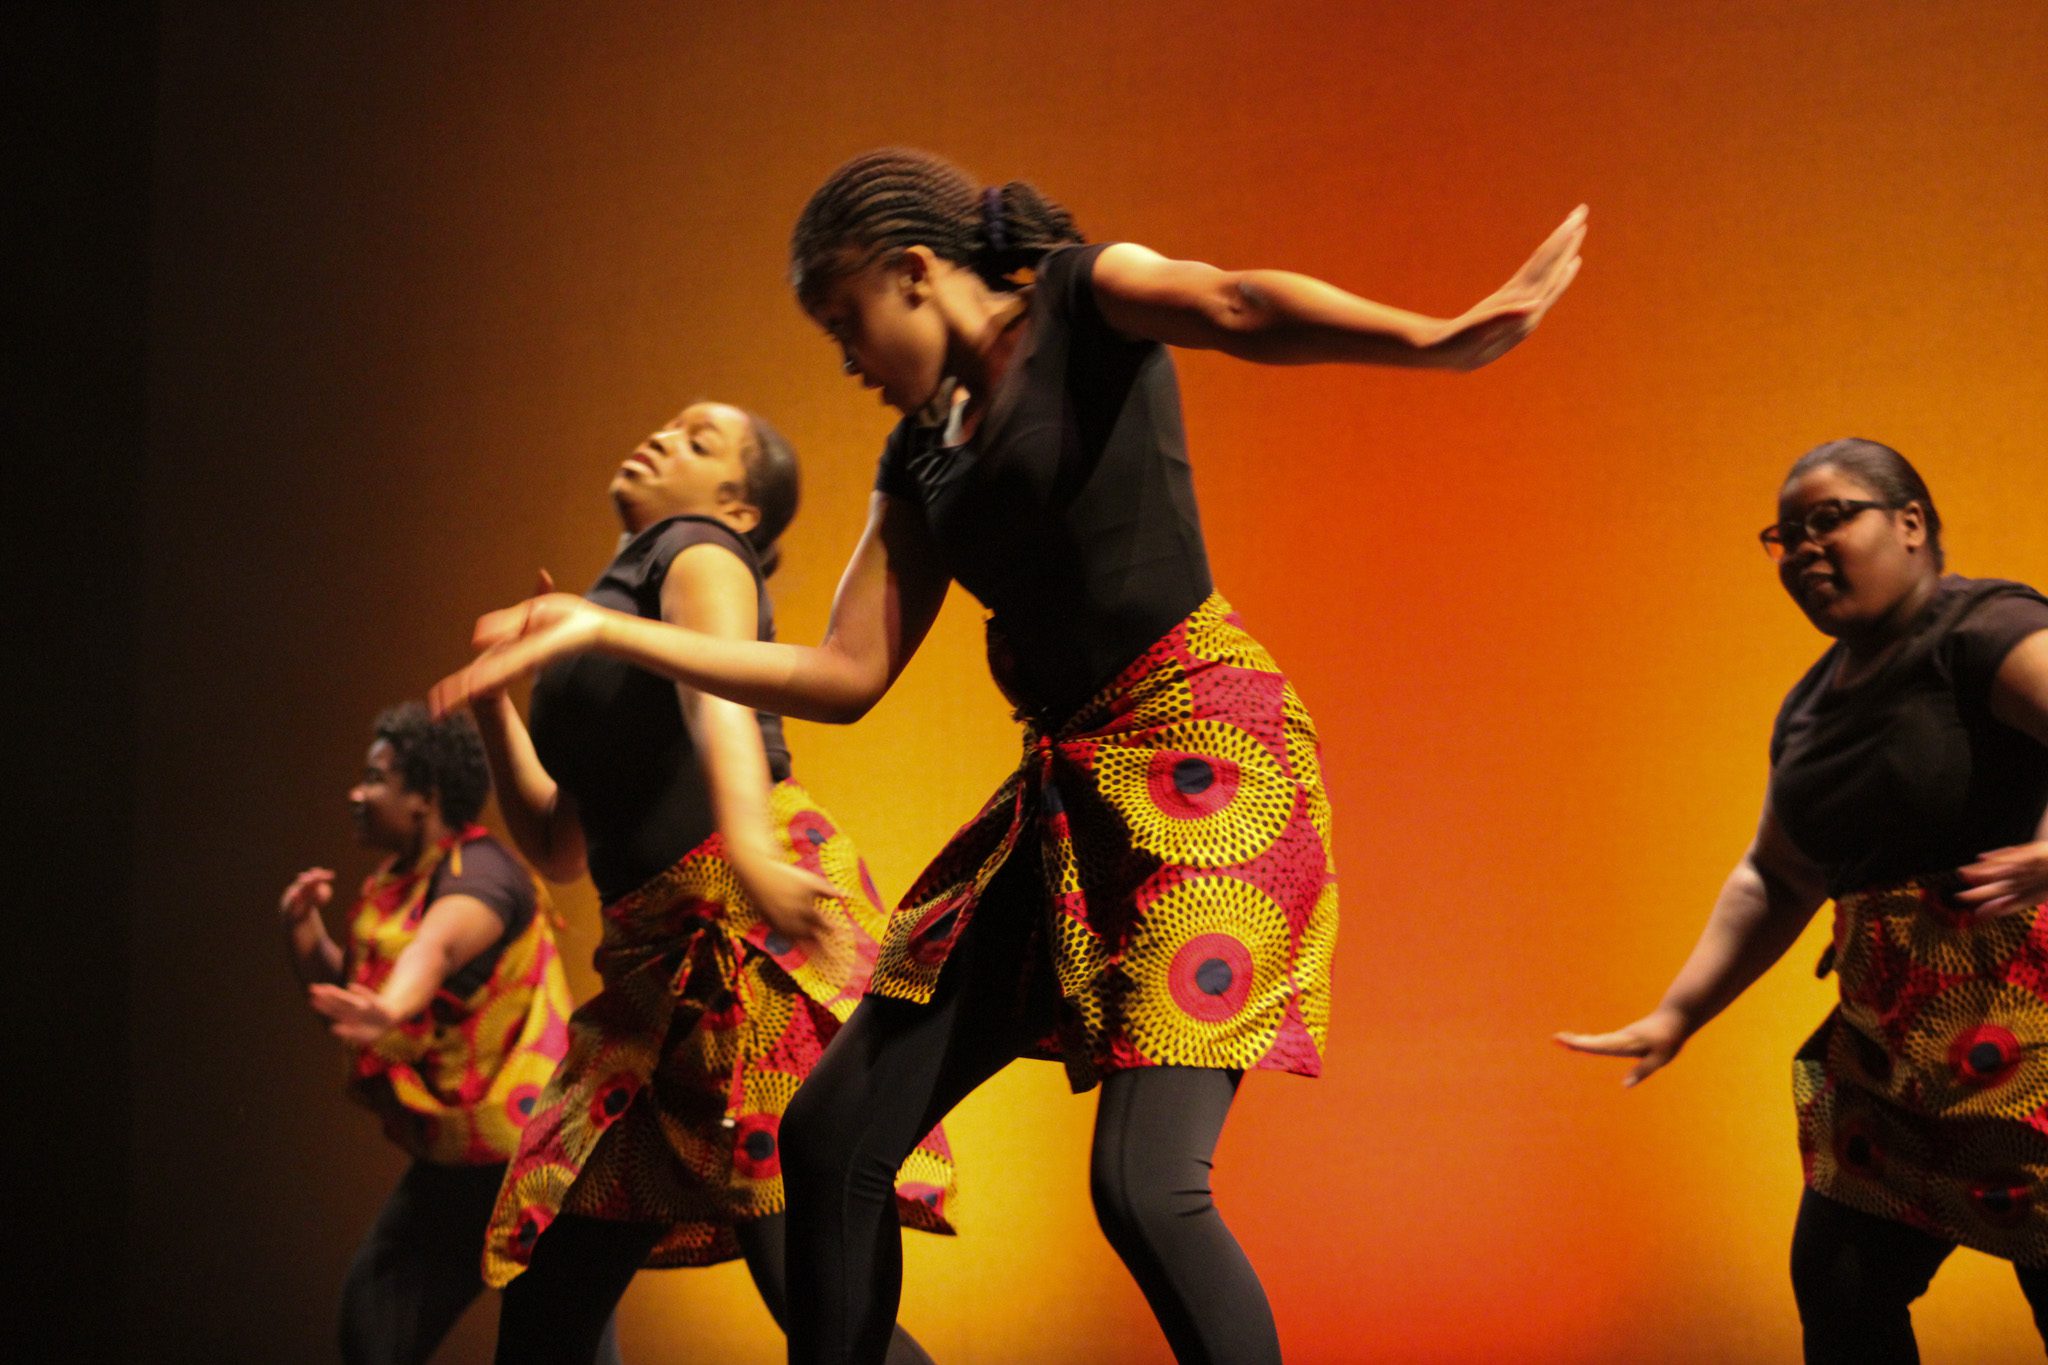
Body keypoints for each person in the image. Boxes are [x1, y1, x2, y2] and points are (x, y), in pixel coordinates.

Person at [433, 148, 1584, 1365]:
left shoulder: (1083, 295)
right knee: (831, 1136)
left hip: (1205, 762)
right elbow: (843, 674)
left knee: (1143, 1190)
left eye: (847, 322)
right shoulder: (917, 458)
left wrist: (1435, 338)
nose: (847, 362)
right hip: (1064, 787)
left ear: (916, 273)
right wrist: (612, 625)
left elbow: (1240, 302)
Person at [465, 402, 951, 1365]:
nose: (657, 437)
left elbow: (720, 701)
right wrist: (492, 705)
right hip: (655, 971)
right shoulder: (598, 615)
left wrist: (754, 851)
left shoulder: (697, 551)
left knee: (809, 1283)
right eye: (667, 426)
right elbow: (562, 841)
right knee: (556, 1283)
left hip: (742, 932)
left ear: (738, 503)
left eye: (697, 440)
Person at [1558, 438, 2048, 1363]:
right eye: (1786, 535)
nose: (1804, 548)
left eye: (1830, 518)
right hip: (1895, 1053)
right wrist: (1677, 1014)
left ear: (1911, 524)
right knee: (1842, 1280)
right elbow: (1776, 875)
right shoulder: (1811, 706)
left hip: (2030, 1028)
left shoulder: (1981, 626)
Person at [280, 703, 605, 1365]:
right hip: (463, 1156)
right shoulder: (393, 888)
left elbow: (434, 951)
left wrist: (390, 1003)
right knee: (376, 1320)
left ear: (425, 798)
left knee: (559, 1344)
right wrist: (303, 931)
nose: (356, 793)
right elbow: (356, 1002)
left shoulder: (481, 874)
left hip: (533, 1152)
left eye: (375, 778)